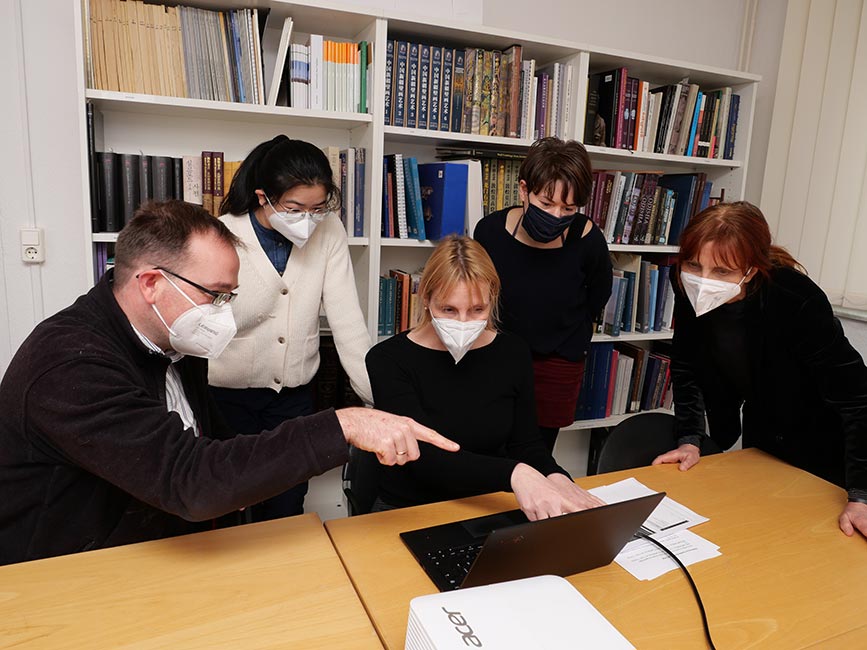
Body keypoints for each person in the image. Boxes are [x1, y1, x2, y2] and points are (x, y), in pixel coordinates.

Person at [0, 201, 458, 566]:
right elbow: (191, 480)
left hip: (151, 553)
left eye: (228, 297)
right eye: (214, 294)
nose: (223, 312)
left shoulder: (174, 339)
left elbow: (217, 448)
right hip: (57, 577)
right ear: (151, 284)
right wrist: (341, 425)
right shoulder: (70, 365)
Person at [651, 201, 867, 538]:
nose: (704, 281)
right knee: (759, 532)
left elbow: (857, 399)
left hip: (825, 444)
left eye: (722, 272)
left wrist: (861, 495)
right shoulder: (687, 283)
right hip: (764, 439)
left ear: (751, 270)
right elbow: (685, 364)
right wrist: (690, 438)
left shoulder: (795, 298)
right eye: (694, 265)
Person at [364, 236, 603, 520]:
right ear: (426, 299)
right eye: (449, 309)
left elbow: (526, 444)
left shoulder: (513, 352)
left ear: (492, 301)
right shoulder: (387, 359)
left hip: (487, 505)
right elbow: (424, 458)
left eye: (478, 310)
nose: (463, 322)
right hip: (410, 509)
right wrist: (515, 473)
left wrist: (556, 477)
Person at [208, 136, 373, 520]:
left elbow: (348, 324)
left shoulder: (329, 229)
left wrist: (378, 402)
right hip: (227, 399)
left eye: (317, 208)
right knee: (228, 506)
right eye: (295, 208)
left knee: (286, 505)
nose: (308, 220)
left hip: (294, 397)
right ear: (264, 197)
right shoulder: (222, 233)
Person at [474, 137, 612, 453]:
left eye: (569, 208)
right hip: (496, 356)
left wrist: (565, 335)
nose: (557, 215)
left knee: (537, 452)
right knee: (489, 444)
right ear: (524, 190)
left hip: (558, 362)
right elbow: (477, 293)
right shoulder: (490, 232)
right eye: (546, 204)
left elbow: (598, 295)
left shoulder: (588, 238)